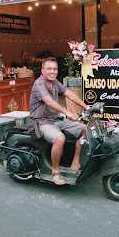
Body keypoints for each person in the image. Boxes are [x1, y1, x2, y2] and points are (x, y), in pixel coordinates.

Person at [28, 57, 88, 185]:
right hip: (40, 122)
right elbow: (49, 102)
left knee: (84, 129)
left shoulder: (55, 82)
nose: (52, 71)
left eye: (55, 69)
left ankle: (75, 162)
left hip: (54, 119)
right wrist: (67, 112)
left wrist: (86, 106)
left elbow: (68, 93)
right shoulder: (39, 84)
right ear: (42, 70)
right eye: (49, 69)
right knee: (59, 138)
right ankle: (55, 172)